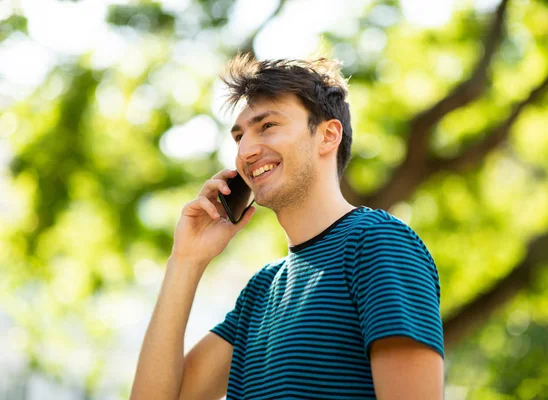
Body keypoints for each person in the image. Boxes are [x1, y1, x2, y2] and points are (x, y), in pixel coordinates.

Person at [131, 54, 444, 400]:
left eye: (267, 126)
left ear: (327, 136)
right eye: (238, 137)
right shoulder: (260, 291)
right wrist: (186, 260)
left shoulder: (377, 243)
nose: (246, 150)